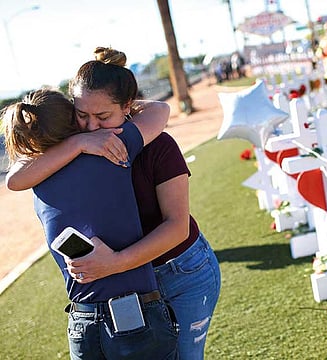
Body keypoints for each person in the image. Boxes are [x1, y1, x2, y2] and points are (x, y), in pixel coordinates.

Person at [6, 47, 221, 360]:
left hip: (180, 271)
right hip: (131, 283)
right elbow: (15, 177)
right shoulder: (67, 154)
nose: (92, 127)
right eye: (81, 115)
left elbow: (177, 226)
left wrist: (116, 262)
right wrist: (78, 143)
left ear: (129, 107)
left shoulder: (156, 144)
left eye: (103, 116)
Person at [2, 84, 177, 358]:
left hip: (81, 325)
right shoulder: (111, 150)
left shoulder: (36, 178)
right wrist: (85, 137)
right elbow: (160, 110)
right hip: (134, 316)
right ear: (73, 118)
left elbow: (13, 179)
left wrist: (75, 142)